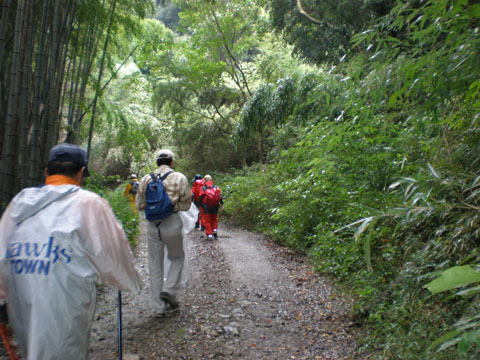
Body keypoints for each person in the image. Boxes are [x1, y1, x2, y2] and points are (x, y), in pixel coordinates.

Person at [0, 143, 142, 360]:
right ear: (81, 172)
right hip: (66, 301)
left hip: (22, 297)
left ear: (47, 172)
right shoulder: (89, 203)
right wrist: (130, 281)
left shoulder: (20, 202)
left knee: (31, 350)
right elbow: (112, 255)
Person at [135, 149, 191, 317]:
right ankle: (169, 289)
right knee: (177, 258)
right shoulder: (179, 178)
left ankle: (158, 308)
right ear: (172, 162)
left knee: (154, 264)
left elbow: (140, 205)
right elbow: (186, 205)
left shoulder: (146, 179)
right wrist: (173, 207)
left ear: (157, 162)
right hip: (172, 222)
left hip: (152, 225)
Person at [199, 175, 223, 240]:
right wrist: (221, 205)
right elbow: (220, 196)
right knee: (214, 218)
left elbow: (201, 197)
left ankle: (209, 234)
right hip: (215, 205)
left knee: (207, 220)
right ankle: (214, 229)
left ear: (205, 180)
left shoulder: (203, 188)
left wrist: (200, 205)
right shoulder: (216, 187)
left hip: (206, 206)